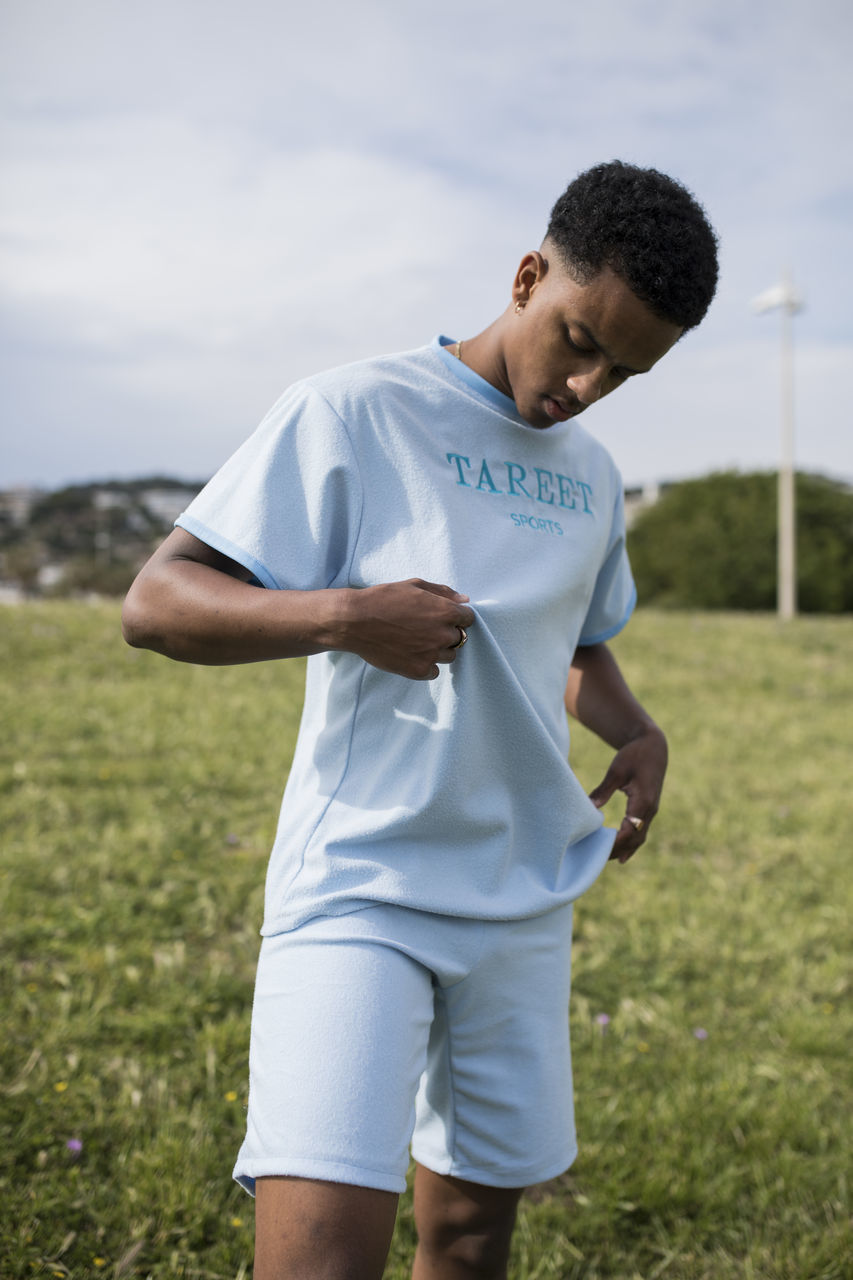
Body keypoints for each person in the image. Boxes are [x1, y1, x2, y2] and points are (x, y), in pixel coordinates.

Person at [122, 160, 718, 1280]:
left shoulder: (589, 476)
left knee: (467, 1235)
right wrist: (345, 615)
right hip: (364, 887)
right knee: (320, 1259)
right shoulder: (354, 409)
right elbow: (157, 602)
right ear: (528, 275)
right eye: (580, 341)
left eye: (624, 374)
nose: (586, 388)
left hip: (521, 896)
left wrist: (634, 731)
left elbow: (569, 641)